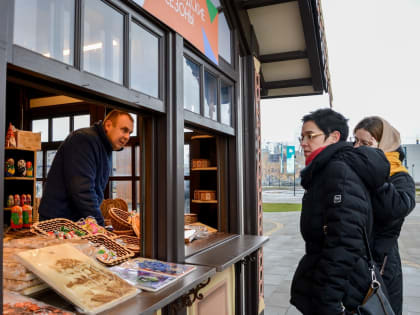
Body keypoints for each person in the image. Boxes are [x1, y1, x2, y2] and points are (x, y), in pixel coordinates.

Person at [290, 108, 390, 314]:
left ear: (334, 137)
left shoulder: (338, 170)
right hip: (333, 285)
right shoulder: (326, 170)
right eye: (302, 137)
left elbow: (345, 241)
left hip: (343, 291)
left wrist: (328, 301)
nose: (303, 143)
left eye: (310, 136)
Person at [354, 116, 416, 315]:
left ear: (385, 145)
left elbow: (396, 209)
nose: (358, 147)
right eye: (355, 141)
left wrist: (377, 175)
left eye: (366, 143)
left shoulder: (400, 177)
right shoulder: (357, 173)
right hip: (355, 261)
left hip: (383, 265)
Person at [38, 109, 134, 226]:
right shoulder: (84, 139)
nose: (127, 136)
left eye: (130, 132)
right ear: (108, 125)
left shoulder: (105, 148)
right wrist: (99, 226)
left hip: (76, 222)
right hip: (59, 222)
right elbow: (83, 190)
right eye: (124, 130)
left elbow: (94, 191)